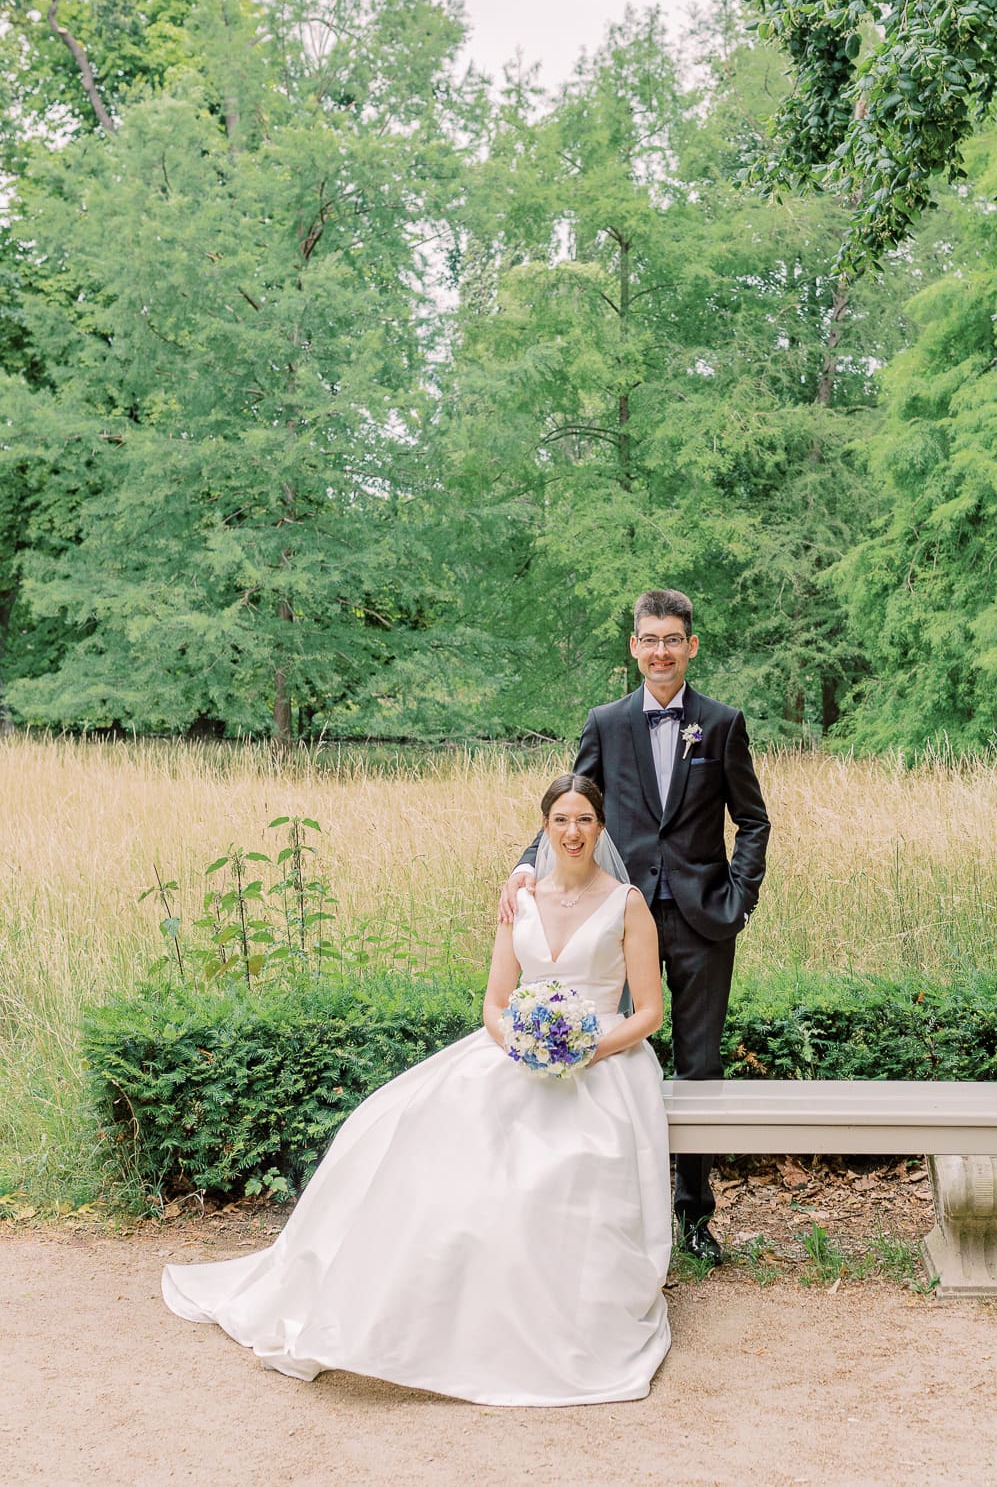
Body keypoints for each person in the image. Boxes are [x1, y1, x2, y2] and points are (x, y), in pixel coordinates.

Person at [162, 774, 671, 1407]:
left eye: (585, 820)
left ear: (601, 829)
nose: (573, 832)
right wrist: (520, 1045)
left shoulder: (626, 904)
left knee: (557, 1168)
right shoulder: (522, 901)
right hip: (519, 1051)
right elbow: (493, 1002)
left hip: (604, 1062)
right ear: (544, 826)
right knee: (410, 1132)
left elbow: (648, 1011)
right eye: (562, 819)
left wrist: (587, 1049)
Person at [500, 589, 771, 1264]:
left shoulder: (722, 723)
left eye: (672, 639)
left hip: (703, 917)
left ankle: (695, 1216)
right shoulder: (606, 722)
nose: (660, 651)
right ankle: (609, 1209)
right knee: (608, 1058)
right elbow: (572, 806)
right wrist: (522, 871)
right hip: (616, 921)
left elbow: (754, 820)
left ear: (691, 645)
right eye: (648, 639)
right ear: (633, 646)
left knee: (699, 1066)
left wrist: (738, 895)